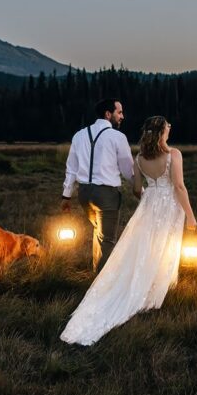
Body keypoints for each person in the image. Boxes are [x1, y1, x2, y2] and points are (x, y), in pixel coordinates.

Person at [60, 115, 197, 346]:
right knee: (164, 245)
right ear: (162, 131)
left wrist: (150, 196)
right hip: (169, 205)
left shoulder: (140, 158)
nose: (170, 129)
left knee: (144, 246)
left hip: (148, 205)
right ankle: (153, 289)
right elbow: (180, 186)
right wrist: (191, 216)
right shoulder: (174, 154)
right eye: (168, 126)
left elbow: (135, 189)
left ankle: (142, 283)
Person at [60, 98, 135, 272]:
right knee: (108, 240)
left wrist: (66, 195)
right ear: (108, 114)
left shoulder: (79, 135)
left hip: (84, 194)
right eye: (119, 112)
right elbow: (128, 170)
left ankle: (96, 271)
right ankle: (103, 285)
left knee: (98, 233)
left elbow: (71, 168)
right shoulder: (118, 137)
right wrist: (141, 190)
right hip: (106, 195)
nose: (122, 116)